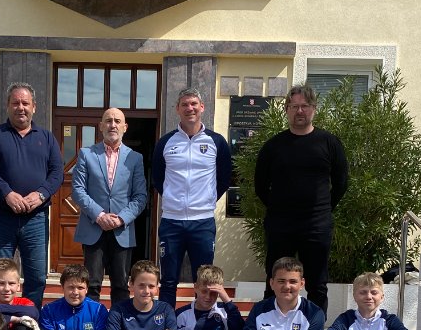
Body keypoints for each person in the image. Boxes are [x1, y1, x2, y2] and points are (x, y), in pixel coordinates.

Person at [253, 84, 348, 315]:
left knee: (317, 284)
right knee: (274, 280)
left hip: (317, 224)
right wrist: (279, 208)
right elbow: (260, 186)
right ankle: (270, 329)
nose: (300, 111)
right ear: (286, 109)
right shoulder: (273, 146)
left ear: (314, 108)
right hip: (281, 224)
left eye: (304, 106)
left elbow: (341, 183)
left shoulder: (329, 143)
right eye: (294, 106)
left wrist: (323, 209)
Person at [0, 82, 64, 308]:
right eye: (15, 103)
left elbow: (57, 173)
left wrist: (41, 194)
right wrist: (7, 193)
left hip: (36, 218)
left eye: (25, 103)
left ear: (34, 107)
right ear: (7, 106)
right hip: (2, 216)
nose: (21, 107)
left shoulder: (47, 138)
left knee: (36, 276)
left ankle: (28, 319)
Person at [151, 89, 233, 307]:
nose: (190, 108)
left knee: (205, 281)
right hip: (172, 221)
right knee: (168, 280)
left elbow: (224, 178)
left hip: (202, 222)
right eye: (185, 104)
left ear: (202, 107)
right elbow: (157, 178)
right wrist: (174, 200)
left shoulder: (216, 142)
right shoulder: (165, 142)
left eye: (194, 104)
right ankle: (168, 324)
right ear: (177, 109)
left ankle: (202, 322)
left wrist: (205, 201)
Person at [71, 107, 148, 305]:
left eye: (117, 121)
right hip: (93, 227)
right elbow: (78, 190)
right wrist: (99, 215)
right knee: (91, 285)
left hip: (122, 230)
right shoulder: (86, 154)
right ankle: (92, 323)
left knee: (121, 285)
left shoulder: (135, 158)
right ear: (100, 126)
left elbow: (140, 196)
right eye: (108, 121)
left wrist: (121, 218)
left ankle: (117, 323)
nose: (112, 125)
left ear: (125, 127)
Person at [175, 264, 244, 330]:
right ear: (195, 287)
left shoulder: (224, 311)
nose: (208, 297)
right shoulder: (182, 315)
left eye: (213, 293)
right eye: (204, 291)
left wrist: (227, 300)